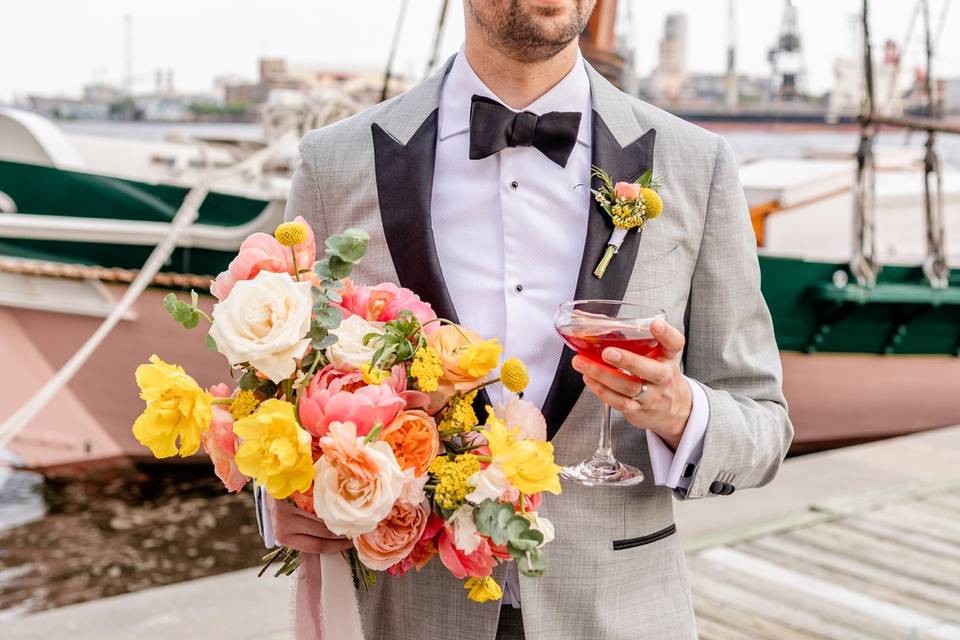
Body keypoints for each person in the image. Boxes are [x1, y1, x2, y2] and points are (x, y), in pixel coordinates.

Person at [260, 1, 793, 638]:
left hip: (619, 614)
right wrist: (282, 503)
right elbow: (280, 399)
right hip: (410, 616)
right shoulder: (333, 162)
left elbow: (762, 422)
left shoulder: (696, 164)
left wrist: (680, 412)